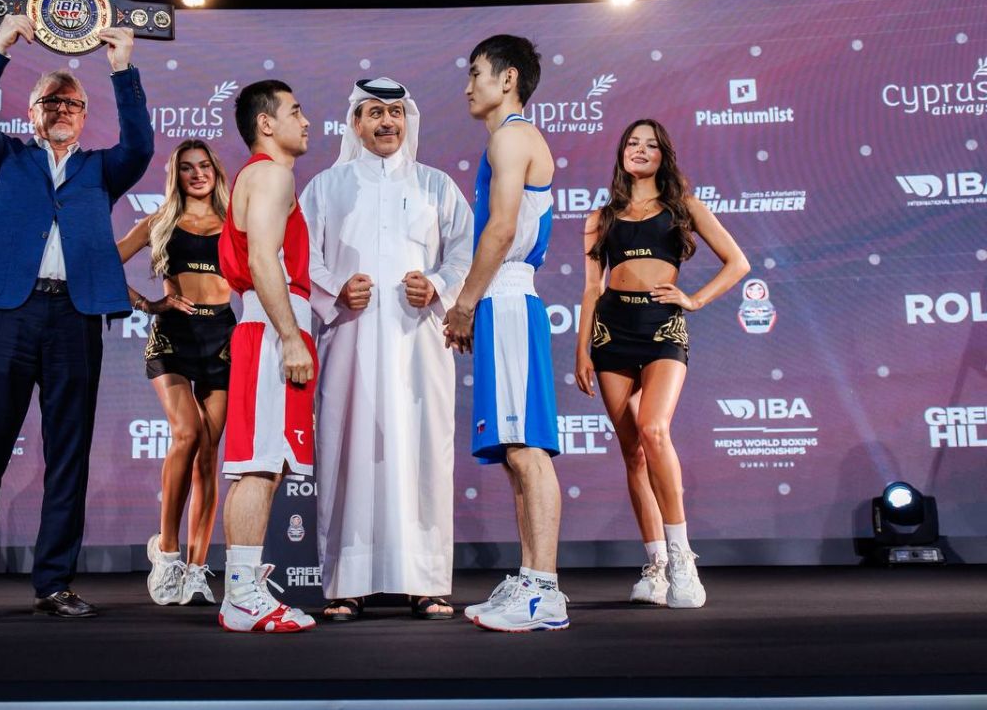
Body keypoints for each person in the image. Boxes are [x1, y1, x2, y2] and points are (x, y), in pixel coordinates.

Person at [0, 15, 154, 624]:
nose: (62, 109)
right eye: (51, 101)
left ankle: (53, 583)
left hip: (74, 317)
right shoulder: (3, 158)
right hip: (9, 313)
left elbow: (140, 146)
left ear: (84, 116)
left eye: (72, 103)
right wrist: (0, 46)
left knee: (68, 454)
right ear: (31, 112)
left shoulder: (101, 169)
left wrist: (122, 66)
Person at [300, 78, 473, 622]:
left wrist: (438, 286)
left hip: (418, 344)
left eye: (395, 112)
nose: (387, 122)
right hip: (348, 342)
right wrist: (334, 290)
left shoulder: (436, 185)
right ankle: (344, 584)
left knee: (422, 451)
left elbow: (465, 253)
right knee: (346, 450)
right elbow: (300, 257)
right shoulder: (325, 187)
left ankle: (425, 582)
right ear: (355, 123)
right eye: (374, 113)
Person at [574, 119, 749, 609]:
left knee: (654, 429)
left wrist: (694, 300)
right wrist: (581, 348)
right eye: (633, 143)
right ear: (621, 153)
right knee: (631, 452)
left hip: (662, 329)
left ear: (662, 156)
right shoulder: (601, 216)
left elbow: (738, 263)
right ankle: (655, 567)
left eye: (650, 145)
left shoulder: (683, 208)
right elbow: (591, 287)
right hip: (611, 332)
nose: (640, 150)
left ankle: (682, 560)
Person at [444, 35, 567, 633]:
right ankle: (530, 578)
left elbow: (501, 229)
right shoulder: (506, 139)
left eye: (477, 73)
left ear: (508, 78)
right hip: (502, 299)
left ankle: (544, 591)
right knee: (515, 455)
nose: (468, 86)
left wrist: (464, 304)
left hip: (509, 297)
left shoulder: (512, 137)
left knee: (527, 450)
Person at [216, 79, 319, 633]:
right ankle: (240, 595)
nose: (306, 122)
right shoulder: (272, 174)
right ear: (266, 123)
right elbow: (261, 260)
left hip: (271, 325)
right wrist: (290, 336)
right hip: (271, 328)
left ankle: (245, 587)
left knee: (267, 463)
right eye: (295, 111)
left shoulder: (260, 177)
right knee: (258, 465)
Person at [116, 139, 233, 606]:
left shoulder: (236, 222)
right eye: (188, 168)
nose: (198, 174)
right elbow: (104, 262)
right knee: (187, 433)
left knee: (208, 453)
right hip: (172, 337)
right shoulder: (159, 221)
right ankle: (166, 553)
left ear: (215, 172)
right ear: (176, 176)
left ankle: (197, 568)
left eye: (204, 166)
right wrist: (148, 304)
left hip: (222, 339)